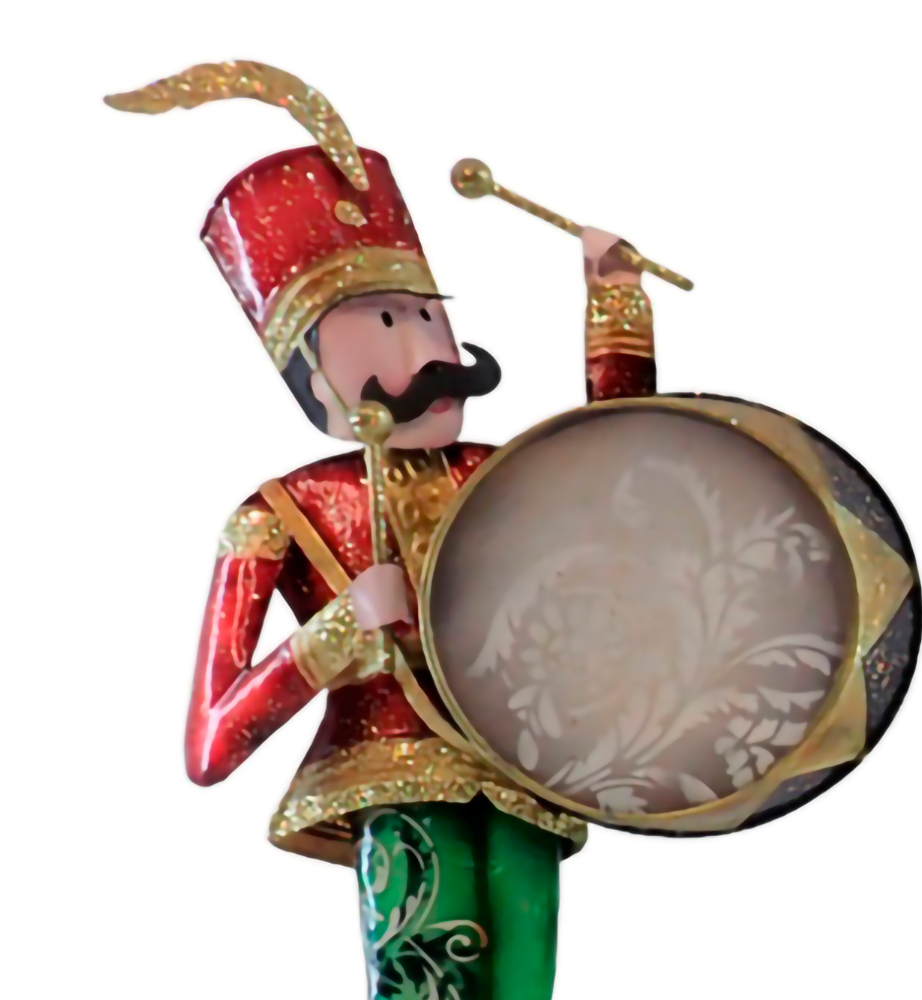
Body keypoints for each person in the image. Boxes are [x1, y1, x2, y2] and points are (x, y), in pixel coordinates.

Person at [107, 61, 658, 1000]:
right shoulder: (278, 513)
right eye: (383, 326)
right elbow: (210, 743)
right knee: (423, 972)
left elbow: (624, 483)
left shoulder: (497, 475)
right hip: (388, 780)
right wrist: (339, 631)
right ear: (311, 377)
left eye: (429, 320)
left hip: (526, 768)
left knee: (527, 976)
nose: (426, 355)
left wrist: (616, 305)